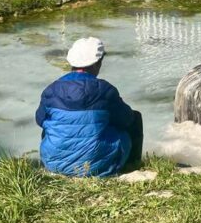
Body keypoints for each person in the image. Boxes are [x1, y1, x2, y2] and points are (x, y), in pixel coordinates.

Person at [36, 37, 143, 177]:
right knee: (135, 118)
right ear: (97, 64)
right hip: (98, 166)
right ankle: (131, 166)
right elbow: (127, 119)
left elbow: (39, 120)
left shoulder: (51, 90)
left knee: (49, 124)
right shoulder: (105, 90)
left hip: (54, 165)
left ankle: (53, 162)